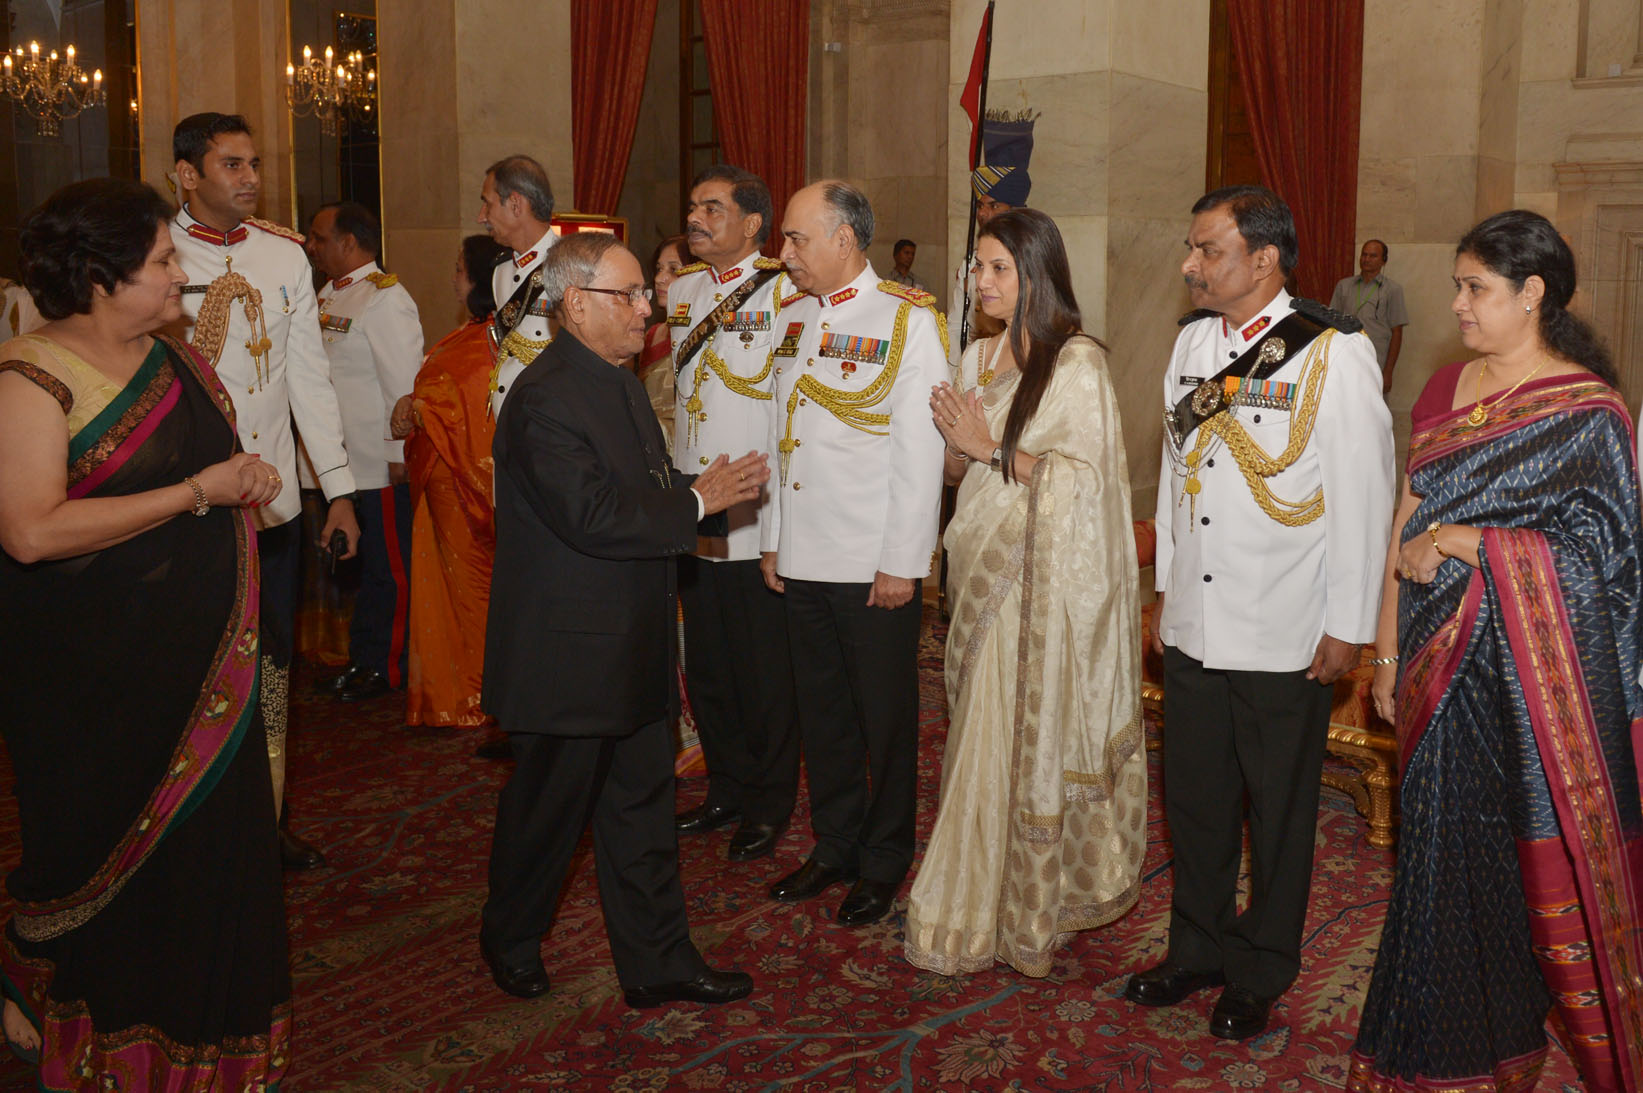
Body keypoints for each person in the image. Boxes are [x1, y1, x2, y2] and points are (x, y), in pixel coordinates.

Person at [0, 177, 289, 1087]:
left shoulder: (179, 364)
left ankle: (209, 1048)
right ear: (97, 277)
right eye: (162, 261)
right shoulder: (30, 377)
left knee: (216, 864)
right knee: (110, 869)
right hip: (92, 684)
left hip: (208, 674)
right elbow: (32, 531)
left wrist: (243, 478)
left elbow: (213, 474)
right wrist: (198, 490)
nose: (179, 277)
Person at [1352, 210, 1643, 1092]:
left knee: (1519, 858)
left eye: (1475, 288)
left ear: (1532, 295)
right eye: (1457, 285)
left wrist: (1466, 540)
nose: (1458, 304)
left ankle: (1509, 1037)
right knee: (1438, 860)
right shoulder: (1443, 388)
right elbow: (1407, 511)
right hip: (1436, 669)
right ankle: (1437, 1046)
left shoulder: (1588, 413)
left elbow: (1607, 568)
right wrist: (1383, 646)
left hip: (1530, 688)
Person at [1126, 185, 1395, 1040]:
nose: (1189, 265)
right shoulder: (1190, 342)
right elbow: (1177, 477)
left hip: (1287, 624)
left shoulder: (1332, 353)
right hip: (1198, 624)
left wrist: (1348, 624)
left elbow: (1362, 494)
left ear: (1263, 259)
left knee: (1278, 813)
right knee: (1196, 798)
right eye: (1191, 247)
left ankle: (1259, 966)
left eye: (1207, 250)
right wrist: (1166, 588)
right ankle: (1195, 946)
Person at [479, 232, 766, 1008]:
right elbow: (594, 515)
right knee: (549, 815)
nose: (650, 307)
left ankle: (657, 961)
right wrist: (698, 502)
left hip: (632, 641)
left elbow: (635, 485)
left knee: (642, 810)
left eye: (646, 292)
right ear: (576, 304)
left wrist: (693, 485)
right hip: (566, 655)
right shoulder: (542, 399)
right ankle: (509, 932)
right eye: (632, 294)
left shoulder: (618, 379)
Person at [905, 208, 1144, 976]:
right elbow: (955, 474)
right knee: (974, 733)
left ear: (1036, 274)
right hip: (974, 570)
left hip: (1031, 586)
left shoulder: (1075, 364)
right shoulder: (976, 353)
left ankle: (997, 909)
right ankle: (981, 895)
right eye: (976, 267)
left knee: (1000, 740)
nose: (982, 281)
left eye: (997, 268)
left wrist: (988, 448)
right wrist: (957, 447)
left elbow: (1086, 487)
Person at [169, 110, 358, 872]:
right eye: (231, 165)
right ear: (186, 173)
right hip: (186, 507)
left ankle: (269, 813)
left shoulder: (283, 256)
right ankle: (186, 822)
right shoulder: (153, 255)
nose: (250, 179)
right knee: (191, 670)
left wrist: (337, 490)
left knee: (271, 668)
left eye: (254, 164)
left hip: (272, 508)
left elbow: (309, 379)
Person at [760, 180, 948, 927]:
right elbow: (785, 438)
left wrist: (903, 560)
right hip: (804, 554)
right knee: (824, 713)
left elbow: (918, 449)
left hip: (872, 564)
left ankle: (884, 857)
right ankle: (834, 843)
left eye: (797, 239)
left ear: (844, 239)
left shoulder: (907, 320)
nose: (784, 254)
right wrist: (774, 539)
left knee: (884, 719)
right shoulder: (794, 314)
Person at [668, 165, 800, 863]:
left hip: (755, 501)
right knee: (709, 660)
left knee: (761, 666)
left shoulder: (785, 289)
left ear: (753, 224)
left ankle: (769, 799)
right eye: (692, 206)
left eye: (711, 207)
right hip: (695, 497)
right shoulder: (684, 291)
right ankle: (724, 785)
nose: (695, 217)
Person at [390, 233, 509, 729]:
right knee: (454, 586)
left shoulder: (494, 338)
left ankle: (478, 692)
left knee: (473, 588)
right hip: (443, 480)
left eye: (459, 268)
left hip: (466, 481)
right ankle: (455, 687)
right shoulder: (468, 335)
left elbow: (474, 408)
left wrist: (417, 408)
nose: (452, 277)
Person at [309, 201, 424, 702]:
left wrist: (399, 452)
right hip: (340, 463)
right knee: (358, 567)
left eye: (319, 238)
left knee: (387, 569)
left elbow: (402, 384)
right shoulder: (328, 295)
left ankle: (386, 664)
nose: (311, 247)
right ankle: (362, 656)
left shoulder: (386, 298)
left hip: (377, 462)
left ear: (349, 244)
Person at [479, 155, 557, 417]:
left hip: (551, 419)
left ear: (515, 204)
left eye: (487, 205)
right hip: (508, 418)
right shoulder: (500, 270)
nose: (481, 217)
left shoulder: (571, 265)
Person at [1328, 239, 1408, 392]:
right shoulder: (1344, 286)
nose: (1366, 259)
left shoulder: (1392, 290)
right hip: (1345, 359)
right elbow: (1332, 325)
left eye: (1373, 256)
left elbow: (1397, 332)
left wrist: (1388, 372)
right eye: (1364, 255)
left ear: (1383, 261)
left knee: (1373, 408)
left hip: (1376, 360)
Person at [638, 233, 691, 451]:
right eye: (659, 269)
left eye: (674, 270)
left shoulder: (705, 336)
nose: (660, 278)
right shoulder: (651, 334)